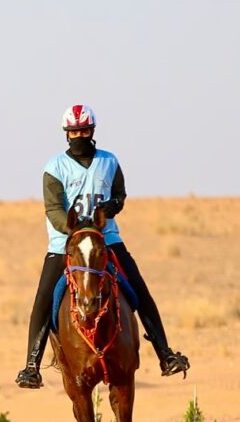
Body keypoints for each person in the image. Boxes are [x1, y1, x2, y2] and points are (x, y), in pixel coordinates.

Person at [15, 105, 190, 389]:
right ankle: (31, 365)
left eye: (84, 130)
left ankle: (165, 354)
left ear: (92, 131)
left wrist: (112, 206)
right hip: (66, 244)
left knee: (139, 290)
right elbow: (54, 208)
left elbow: (119, 194)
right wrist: (77, 230)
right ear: (66, 134)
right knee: (44, 300)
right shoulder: (54, 167)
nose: (79, 136)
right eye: (74, 132)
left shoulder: (109, 162)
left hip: (107, 240)